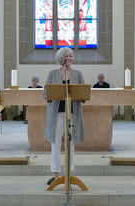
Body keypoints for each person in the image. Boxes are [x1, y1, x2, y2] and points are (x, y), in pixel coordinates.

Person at [44, 47, 85, 185]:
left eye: (71, 56)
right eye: (67, 56)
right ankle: (55, 175)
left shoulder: (78, 74)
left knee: (70, 144)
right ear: (61, 58)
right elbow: (45, 94)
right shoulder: (52, 74)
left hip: (72, 114)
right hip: (56, 114)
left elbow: (83, 93)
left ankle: (69, 173)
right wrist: (52, 93)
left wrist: (81, 95)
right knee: (55, 144)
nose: (70, 59)